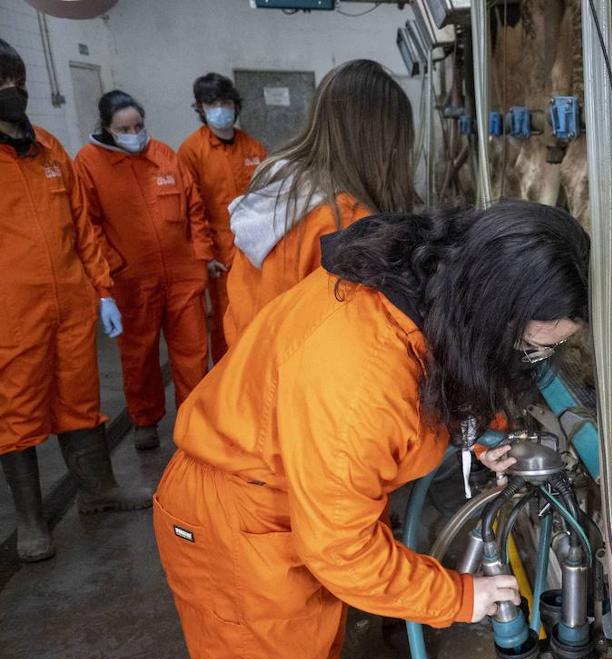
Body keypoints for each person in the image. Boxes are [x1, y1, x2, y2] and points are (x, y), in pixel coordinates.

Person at [153, 201, 587, 659]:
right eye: (532, 346)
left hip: (292, 505)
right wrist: (460, 596)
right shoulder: (361, 382)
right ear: (492, 310)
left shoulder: (420, 285)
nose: (532, 360)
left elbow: (442, 363)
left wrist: (482, 433)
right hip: (237, 528)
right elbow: (343, 550)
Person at [0, 39, 150, 562]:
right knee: (16, 412)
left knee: (80, 400)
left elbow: (82, 227)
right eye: (1, 85)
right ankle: (30, 521)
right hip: (11, 315)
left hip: (70, 303)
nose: (10, 93)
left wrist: (103, 289)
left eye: (15, 81)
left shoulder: (48, 149)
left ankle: (99, 492)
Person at [224, 59, 421, 344]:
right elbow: (360, 340)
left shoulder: (275, 191)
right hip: (301, 380)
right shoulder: (347, 223)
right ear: (383, 143)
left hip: (248, 367)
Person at [75, 91, 218, 451]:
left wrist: (201, 255)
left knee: (193, 353)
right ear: (106, 128)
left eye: (139, 125)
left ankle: (193, 420)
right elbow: (87, 226)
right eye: (124, 128)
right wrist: (113, 269)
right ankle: (145, 419)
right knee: (139, 356)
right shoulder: (89, 165)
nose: (134, 133)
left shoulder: (164, 155)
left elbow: (195, 208)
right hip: (132, 281)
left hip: (183, 275)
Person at [178, 72, 267, 364]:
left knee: (257, 318)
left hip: (255, 251)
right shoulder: (192, 151)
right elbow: (192, 209)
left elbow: (266, 200)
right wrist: (204, 255)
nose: (220, 109)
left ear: (235, 105)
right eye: (212, 103)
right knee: (223, 325)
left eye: (225, 102)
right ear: (201, 108)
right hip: (219, 256)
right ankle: (226, 384)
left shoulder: (253, 148)